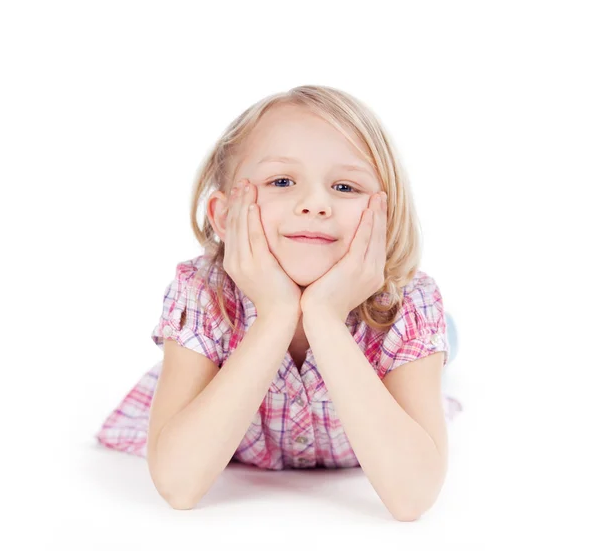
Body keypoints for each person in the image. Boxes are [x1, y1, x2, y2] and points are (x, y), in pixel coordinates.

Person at [95, 84, 463, 516]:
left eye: (345, 186)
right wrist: (276, 315)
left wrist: (324, 317)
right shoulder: (201, 292)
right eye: (282, 181)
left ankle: (445, 341)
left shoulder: (411, 303)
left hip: (391, 318)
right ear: (223, 216)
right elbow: (179, 485)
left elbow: (412, 498)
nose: (314, 204)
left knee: (444, 346)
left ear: (387, 214)